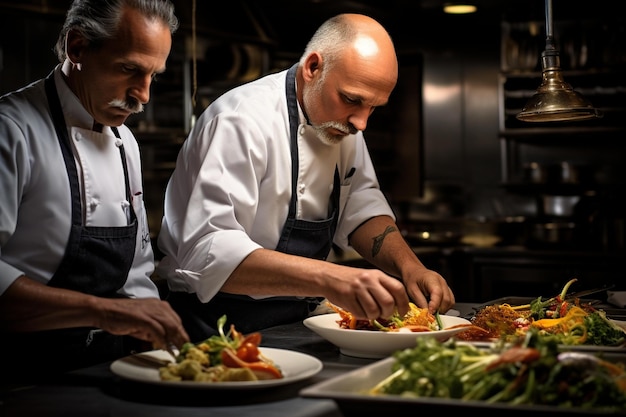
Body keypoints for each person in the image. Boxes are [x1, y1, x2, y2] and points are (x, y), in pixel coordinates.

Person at [157, 13, 456, 341]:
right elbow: (209, 251)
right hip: (216, 328)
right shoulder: (240, 120)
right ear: (313, 67)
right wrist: (331, 278)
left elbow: (360, 207)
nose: (361, 123)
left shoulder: (343, 125)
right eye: (352, 100)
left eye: (374, 107)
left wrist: (409, 266)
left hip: (298, 323)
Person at [0, 0, 189, 380]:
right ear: (78, 48)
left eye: (154, 75)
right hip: (21, 374)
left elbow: (136, 272)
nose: (144, 95)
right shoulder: (12, 130)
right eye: (129, 70)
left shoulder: (126, 142)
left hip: (109, 366)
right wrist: (103, 311)